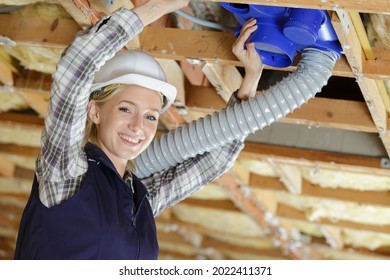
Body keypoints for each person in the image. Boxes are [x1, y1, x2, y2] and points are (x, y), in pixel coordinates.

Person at [14, 0, 263, 260]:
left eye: (150, 117)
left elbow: (214, 161)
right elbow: (75, 69)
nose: (138, 127)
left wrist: (252, 78)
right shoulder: (66, 173)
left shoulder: (138, 200)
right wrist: (156, 8)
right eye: (125, 109)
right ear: (95, 111)